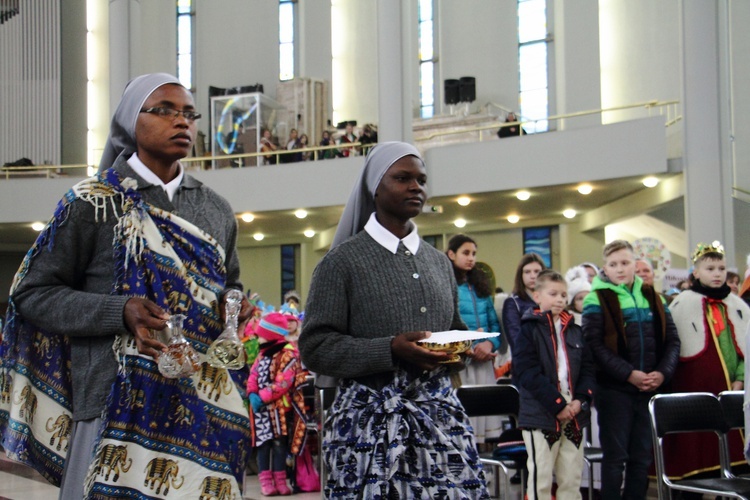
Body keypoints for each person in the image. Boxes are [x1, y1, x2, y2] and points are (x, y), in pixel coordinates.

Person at [0, 73, 253, 499]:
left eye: (189, 114)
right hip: (114, 401)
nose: (182, 122)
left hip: (200, 401)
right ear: (129, 122)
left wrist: (237, 306)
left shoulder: (216, 209)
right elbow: (31, 294)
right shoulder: (93, 201)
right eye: (165, 111)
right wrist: (118, 311)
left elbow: (227, 285)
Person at [298, 142, 489, 498]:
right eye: (402, 178)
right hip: (369, 425)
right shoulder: (342, 263)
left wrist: (459, 349)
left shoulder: (437, 262)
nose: (416, 187)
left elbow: (456, 327)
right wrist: (390, 349)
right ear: (375, 186)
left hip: (438, 418)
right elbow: (315, 347)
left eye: (421, 179)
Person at [582, 239, 680, 499]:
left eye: (625, 263)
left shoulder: (653, 296)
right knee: (615, 459)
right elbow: (594, 346)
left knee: (641, 458)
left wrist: (662, 373)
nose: (620, 269)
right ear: (606, 268)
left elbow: (672, 341)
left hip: (649, 389)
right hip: (614, 390)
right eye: (613, 265)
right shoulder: (596, 298)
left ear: (634, 264)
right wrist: (628, 374)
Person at [665, 242, 749, 483]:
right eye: (710, 268)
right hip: (697, 386)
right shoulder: (682, 303)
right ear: (696, 273)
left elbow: (747, 346)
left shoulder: (738, 305)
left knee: (736, 451)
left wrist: (742, 376)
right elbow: (674, 345)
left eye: (721, 268)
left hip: (736, 387)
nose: (717, 273)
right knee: (698, 445)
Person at [514, 270, 595, 500]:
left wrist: (581, 399)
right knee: (541, 476)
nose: (560, 299)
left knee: (571, 475)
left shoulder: (576, 331)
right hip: (542, 410)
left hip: (574, 410)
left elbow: (588, 369)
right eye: (553, 293)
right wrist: (557, 404)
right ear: (537, 296)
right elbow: (527, 372)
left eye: (563, 294)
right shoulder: (528, 330)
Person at [446, 234, 502, 443]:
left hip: (483, 360)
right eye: (466, 253)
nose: (471, 258)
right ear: (451, 254)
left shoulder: (480, 286)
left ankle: (484, 465)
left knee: (485, 422)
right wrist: (472, 344)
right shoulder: (446, 284)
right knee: (465, 420)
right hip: (462, 361)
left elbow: (494, 326)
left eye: (474, 254)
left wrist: (489, 343)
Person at [247, 312, 308, 496]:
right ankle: (266, 482)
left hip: (279, 410)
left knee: (280, 445)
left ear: (272, 334)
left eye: (262, 334)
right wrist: (251, 393)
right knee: (263, 445)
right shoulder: (261, 355)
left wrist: (263, 396)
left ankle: (281, 480)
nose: (258, 337)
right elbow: (253, 375)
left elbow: (284, 382)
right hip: (261, 411)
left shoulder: (287, 354)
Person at [502, 253, 546, 351]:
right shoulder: (512, 303)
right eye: (527, 272)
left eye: (537, 271)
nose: (533, 276)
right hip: (526, 360)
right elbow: (515, 340)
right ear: (520, 275)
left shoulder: (549, 301)